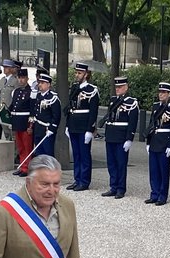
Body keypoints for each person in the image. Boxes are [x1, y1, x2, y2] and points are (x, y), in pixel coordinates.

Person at [101, 76, 139, 199]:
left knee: (121, 164)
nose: (117, 89)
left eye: (120, 87)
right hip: (111, 135)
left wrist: (129, 138)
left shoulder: (131, 102)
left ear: (126, 87)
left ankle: (121, 189)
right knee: (111, 163)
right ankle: (113, 186)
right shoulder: (113, 100)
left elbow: (132, 122)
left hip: (122, 136)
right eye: (116, 87)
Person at [144, 82, 170, 206]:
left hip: (165, 142)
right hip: (154, 140)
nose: (161, 94)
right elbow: (151, 125)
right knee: (153, 170)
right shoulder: (155, 107)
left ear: (169, 94)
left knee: (163, 171)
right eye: (160, 92)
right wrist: (148, 142)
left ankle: (162, 195)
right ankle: (154, 193)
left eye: (164, 92)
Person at [65, 63, 100, 191]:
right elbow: (70, 107)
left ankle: (84, 181)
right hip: (74, 124)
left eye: (79, 73)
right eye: (76, 73)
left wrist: (90, 130)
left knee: (84, 154)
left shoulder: (92, 90)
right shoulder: (74, 87)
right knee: (76, 154)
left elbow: (93, 112)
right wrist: (68, 125)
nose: (77, 75)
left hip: (84, 125)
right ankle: (77, 179)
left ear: (86, 74)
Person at [8, 68, 34, 176]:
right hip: (17, 122)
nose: (21, 80)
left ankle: (26, 168)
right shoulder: (16, 92)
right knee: (20, 147)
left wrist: (31, 125)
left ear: (27, 78)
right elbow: (12, 107)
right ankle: (22, 165)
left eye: (23, 78)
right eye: (19, 78)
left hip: (25, 122)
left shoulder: (31, 92)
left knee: (27, 147)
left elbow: (33, 111)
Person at [31, 72, 61, 159]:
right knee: (39, 152)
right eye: (39, 82)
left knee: (48, 153)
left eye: (42, 83)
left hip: (46, 129)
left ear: (48, 85)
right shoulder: (38, 96)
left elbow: (56, 116)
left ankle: (50, 171)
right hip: (38, 128)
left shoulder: (53, 98)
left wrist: (52, 129)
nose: (40, 85)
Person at [0, 59, 19, 140]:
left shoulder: (15, 81)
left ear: (11, 68)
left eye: (6, 67)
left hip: (9, 110)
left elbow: (16, 97)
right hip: (2, 110)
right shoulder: (2, 80)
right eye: (4, 67)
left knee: (12, 134)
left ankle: (14, 151)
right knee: (5, 132)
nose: (4, 69)